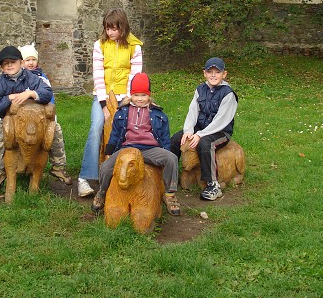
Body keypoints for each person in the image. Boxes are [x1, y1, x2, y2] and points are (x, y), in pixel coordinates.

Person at [90, 72, 181, 216]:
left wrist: (166, 150)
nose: (140, 99)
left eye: (143, 95)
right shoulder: (122, 112)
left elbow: (164, 135)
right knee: (106, 167)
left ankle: (170, 194)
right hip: (128, 149)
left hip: (149, 149)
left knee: (171, 158)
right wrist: (110, 149)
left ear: (149, 95)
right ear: (131, 94)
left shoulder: (158, 115)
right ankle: (102, 192)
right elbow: (116, 133)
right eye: (136, 95)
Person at [77, 8, 143, 197]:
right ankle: (85, 178)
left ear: (123, 28)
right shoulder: (99, 45)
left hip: (125, 97)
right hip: (103, 96)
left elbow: (135, 75)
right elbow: (98, 75)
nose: (110, 32)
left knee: (128, 130)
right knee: (97, 126)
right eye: (108, 28)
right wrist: (104, 105)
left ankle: (124, 173)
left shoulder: (134, 47)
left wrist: (128, 98)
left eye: (114, 29)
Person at [0, 43, 72, 190]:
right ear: (1, 68)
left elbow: (47, 92)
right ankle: (1, 170)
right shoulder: (1, 83)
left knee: (55, 132)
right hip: (11, 120)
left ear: (21, 63)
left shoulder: (31, 78)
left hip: (34, 119)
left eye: (12, 62)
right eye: (5, 64)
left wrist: (31, 93)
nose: (9, 66)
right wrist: (8, 98)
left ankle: (58, 165)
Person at [170, 57, 238, 201]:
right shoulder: (200, 89)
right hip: (201, 128)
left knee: (206, 144)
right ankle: (170, 176)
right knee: (176, 139)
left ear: (224, 74)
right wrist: (188, 130)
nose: (213, 75)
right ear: (204, 73)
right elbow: (193, 110)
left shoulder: (228, 94)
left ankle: (212, 184)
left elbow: (221, 120)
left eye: (217, 72)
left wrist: (200, 134)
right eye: (210, 71)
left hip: (220, 131)